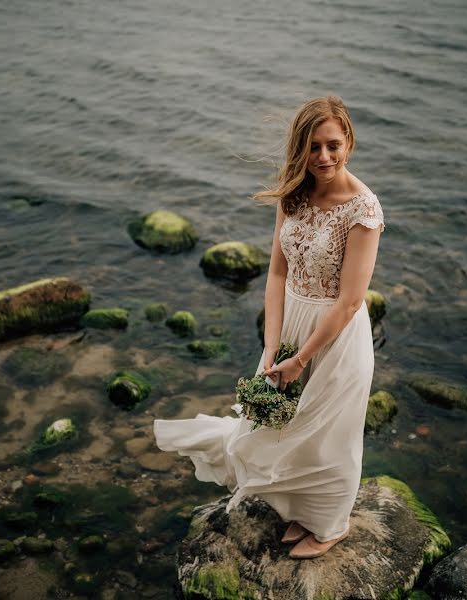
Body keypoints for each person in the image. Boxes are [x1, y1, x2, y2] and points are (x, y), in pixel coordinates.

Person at [153, 96, 384, 559]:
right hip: (292, 323)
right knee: (279, 424)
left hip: (336, 335)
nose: (323, 157)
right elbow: (277, 274)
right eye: (313, 147)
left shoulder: (363, 210)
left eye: (333, 145)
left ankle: (331, 524)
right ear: (301, 148)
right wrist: (272, 347)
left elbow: (351, 300)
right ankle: (303, 510)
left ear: (350, 142)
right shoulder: (294, 192)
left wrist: (301, 359)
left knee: (328, 433)